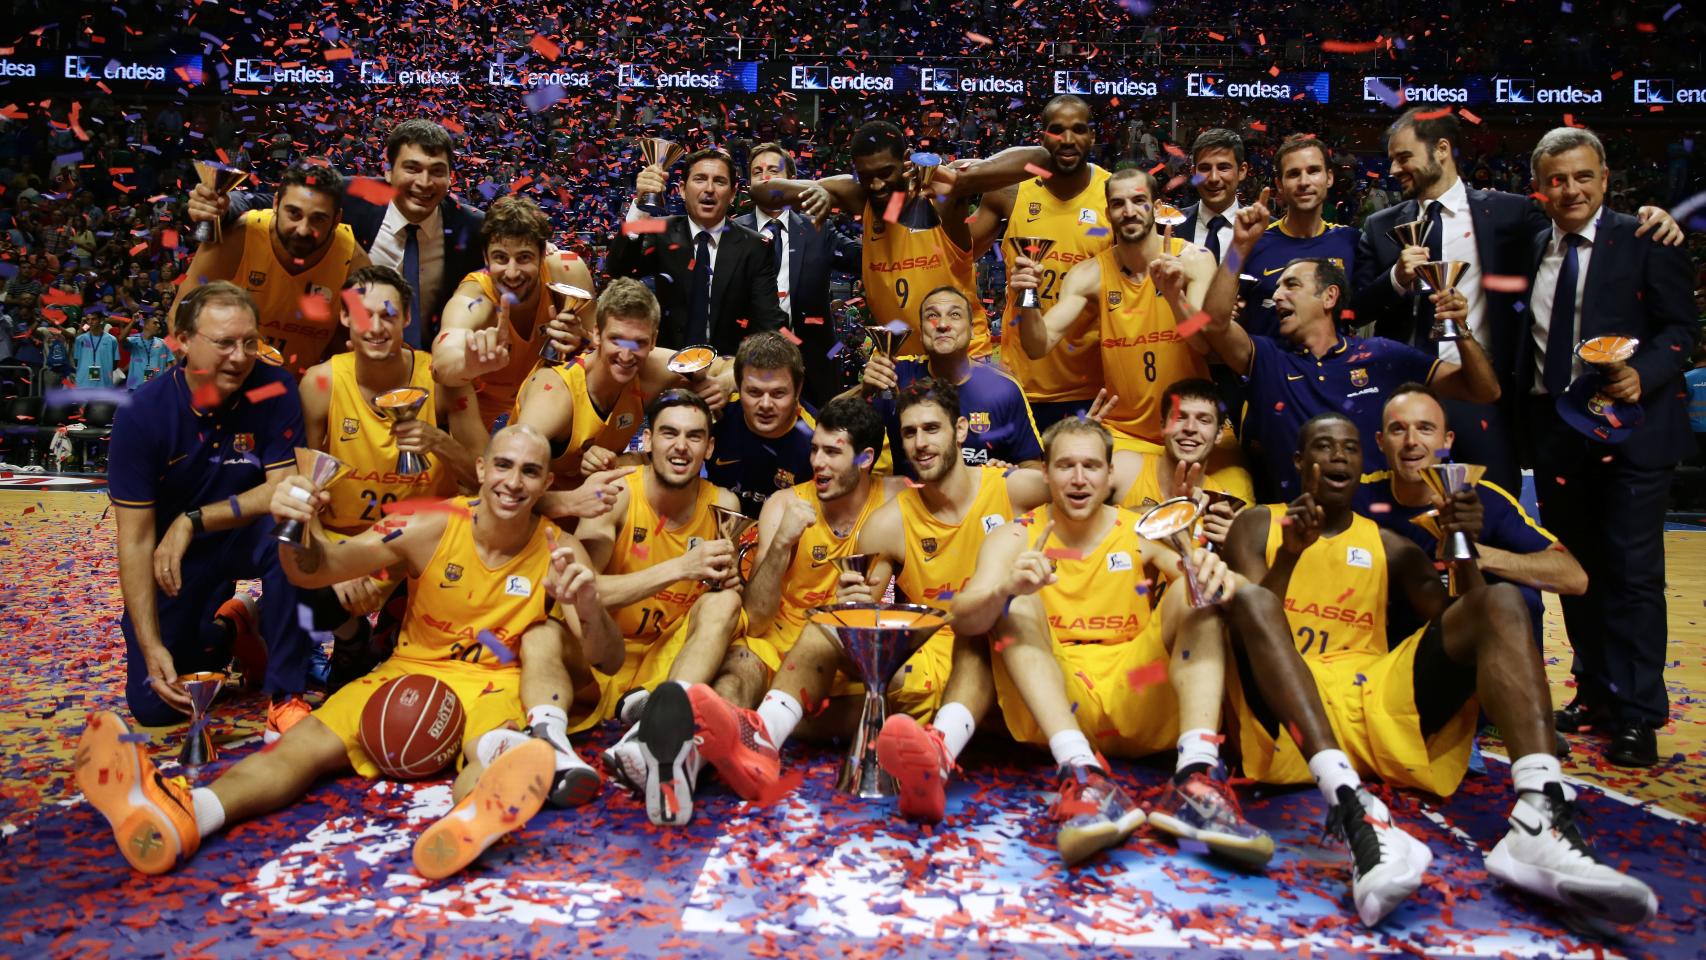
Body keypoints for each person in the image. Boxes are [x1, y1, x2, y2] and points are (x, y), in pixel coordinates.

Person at [74, 426, 622, 880]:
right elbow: (318, 569)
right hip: (409, 670)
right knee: (302, 743)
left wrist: (590, 607)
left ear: (548, 482)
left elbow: (609, 659)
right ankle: (191, 815)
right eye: (503, 466)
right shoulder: (428, 521)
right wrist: (294, 526)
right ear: (481, 469)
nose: (513, 482)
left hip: (496, 678)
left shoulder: (560, 548)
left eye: (530, 472)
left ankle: (466, 822)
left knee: (489, 752)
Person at [1222, 413, 1658, 928]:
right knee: (1248, 601)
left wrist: (1464, 545)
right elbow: (1254, 625)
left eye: (1349, 448)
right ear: (1299, 462)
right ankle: (1353, 809)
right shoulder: (1257, 522)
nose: (1338, 456)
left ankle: (1538, 813)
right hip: (1290, 711)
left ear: (1363, 465)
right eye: (1322, 446)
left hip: (1372, 701)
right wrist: (1290, 555)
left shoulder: (1390, 545)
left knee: (1500, 601)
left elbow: (1476, 626)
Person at [681, 378, 1051, 822]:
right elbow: (868, 600)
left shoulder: (1013, 488)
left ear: (961, 430)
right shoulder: (889, 521)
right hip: (922, 647)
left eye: (931, 429)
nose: (920, 444)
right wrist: (854, 599)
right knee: (830, 622)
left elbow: (1081, 494)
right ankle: (762, 737)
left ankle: (933, 753)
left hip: (981, 645)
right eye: (910, 433)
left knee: (983, 626)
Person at [953, 417, 1272, 867]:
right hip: (1061, 697)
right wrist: (1005, 588)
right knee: (1013, 599)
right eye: (1066, 466)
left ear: (1108, 475)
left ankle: (1197, 776)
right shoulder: (1014, 535)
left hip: (1136, 688)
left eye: (1090, 466)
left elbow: (1206, 584)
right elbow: (963, 618)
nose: (1079, 479)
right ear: (1045, 474)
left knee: (1193, 589)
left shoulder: (1141, 528)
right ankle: (1081, 773)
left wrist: (1217, 572)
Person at [1353, 108, 1682, 493]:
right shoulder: (1380, 226)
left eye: (1403, 156)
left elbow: (1576, 229)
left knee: (1495, 515)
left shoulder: (1511, 212)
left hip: (1485, 393)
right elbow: (1355, 308)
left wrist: (1648, 218)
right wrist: (1395, 279)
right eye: (1391, 159)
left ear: (1441, 149)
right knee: (1405, 515)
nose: (1393, 168)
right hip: (1406, 397)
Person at [1518, 127, 1697, 767]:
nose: (1571, 190)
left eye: (1582, 177)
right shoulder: (1537, 244)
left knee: (1632, 575)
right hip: (1560, 435)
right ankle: (1594, 694)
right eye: (1557, 179)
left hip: (1635, 434)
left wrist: (1641, 373)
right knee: (1580, 573)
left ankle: (1638, 714)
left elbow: (1682, 328)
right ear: (1540, 188)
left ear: (1605, 179)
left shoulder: (1646, 237)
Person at [105, 281, 315, 737]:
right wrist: (151, 643)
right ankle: (233, 625)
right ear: (182, 341)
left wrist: (193, 519)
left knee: (293, 531)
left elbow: (284, 489)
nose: (240, 357)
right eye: (223, 343)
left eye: (249, 342)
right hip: (175, 560)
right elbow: (135, 540)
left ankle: (285, 695)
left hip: (245, 534)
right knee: (156, 707)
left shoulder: (272, 388)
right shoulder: (143, 415)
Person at [1201, 199, 1500, 500]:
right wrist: (1239, 247)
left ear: (1329, 297)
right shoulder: (1268, 360)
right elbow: (1213, 323)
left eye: (1291, 285)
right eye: (1277, 287)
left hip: (1380, 532)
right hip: (1298, 528)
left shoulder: (1382, 356)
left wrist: (1460, 329)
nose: (1277, 295)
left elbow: (1483, 391)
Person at [297, 265, 487, 688]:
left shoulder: (441, 379)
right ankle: (348, 636)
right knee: (291, 552)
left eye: (388, 315)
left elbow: (483, 478)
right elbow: (302, 491)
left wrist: (438, 441)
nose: (376, 327)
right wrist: (341, 565)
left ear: (406, 318)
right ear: (345, 318)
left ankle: (380, 635)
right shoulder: (320, 383)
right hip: (348, 544)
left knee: (408, 662)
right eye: (364, 315)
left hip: (421, 549)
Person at [573, 390, 748, 825]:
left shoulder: (725, 505)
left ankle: (650, 735)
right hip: (607, 661)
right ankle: (660, 734)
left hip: (672, 661)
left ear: (709, 447)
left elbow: (729, 597)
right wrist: (679, 567)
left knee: (726, 602)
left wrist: (732, 581)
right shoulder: (613, 494)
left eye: (694, 437)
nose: (681, 446)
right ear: (647, 441)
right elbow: (581, 593)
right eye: (669, 433)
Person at [758, 120, 1049, 357]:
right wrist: (819, 190)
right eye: (866, 175)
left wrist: (966, 178)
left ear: (906, 159)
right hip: (900, 366)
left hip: (963, 360)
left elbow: (1039, 158)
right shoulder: (860, 195)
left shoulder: (941, 197)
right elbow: (761, 191)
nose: (877, 184)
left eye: (886, 172)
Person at [190, 119, 486, 349]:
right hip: (350, 362)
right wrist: (221, 206)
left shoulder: (470, 226)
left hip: (433, 370)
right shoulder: (351, 196)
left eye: (437, 171)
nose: (425, 182)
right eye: (412, 168)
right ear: (387, 171)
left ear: (450, 176)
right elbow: (270, 201)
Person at [1362, 383, 1587, 659]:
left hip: (1475, 654)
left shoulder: (1485, 499)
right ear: (1380, 441)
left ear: (1447, 441)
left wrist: (1476, 555)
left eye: (1425, 428)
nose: (1411, 440)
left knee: (1519, 600)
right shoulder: (1357, 498)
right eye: (1398, 429)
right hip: (1385, 655)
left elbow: (1574, 578)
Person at [715, 397, 905, 710]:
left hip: (848, 649)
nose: (817, 462)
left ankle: (781, 719)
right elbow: (758, 620)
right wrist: (780, 546)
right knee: (733, 681)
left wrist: (1000, 470)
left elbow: (962, 492)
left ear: (865, 458)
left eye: (832, 452)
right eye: (815, 448)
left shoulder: (899, 498)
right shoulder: (783, 503)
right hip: (778, 642)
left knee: (908, 692)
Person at [1008, 167, 1216, 454]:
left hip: (1192, 429)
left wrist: (1172, 296)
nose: (1128, 211)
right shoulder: (1088, 275)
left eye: (1138, 201)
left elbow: (1204, 344)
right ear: (1108, 214)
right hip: (1125, 436)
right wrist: (1028, 293)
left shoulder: (1195, 260)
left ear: (1156, 208)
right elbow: (1038, 345)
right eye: (1118, 203)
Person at [970, 95, 1111, 428]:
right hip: (1020, 382)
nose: (1067, 139)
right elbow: (957, 252)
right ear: (1042, 137)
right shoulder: (1009, 191)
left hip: (1092, 386)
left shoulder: (1112, 194)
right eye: (1056, 129)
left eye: (1078, 129)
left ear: (1091, 136)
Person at [513, 278, 733, 488]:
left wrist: (723, 385)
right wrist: (569, 503)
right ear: (597, 335)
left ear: (653, 341)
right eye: (617, 340)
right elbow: (505, 469)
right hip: (534, 508)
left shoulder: (650, 370)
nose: (626, 356)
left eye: (639, 342)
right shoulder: (555, 393)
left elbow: (733, 366)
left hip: (600, 501)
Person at [172, 162, 369, 379]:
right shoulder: (239, 237)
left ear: (336, 220)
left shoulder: (352, 260)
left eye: (318, 219)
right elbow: (179, 318)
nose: (303, 229)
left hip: (296, 392)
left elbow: (356, 344)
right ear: (276, 203)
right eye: (294, 213)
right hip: (220, 379)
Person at [431, 195, 598, 430]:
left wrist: (581, 343)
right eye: (500, 258)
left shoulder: (568, 270)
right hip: (478, 413)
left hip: (547, 398)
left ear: (543, 254)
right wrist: (468, 364)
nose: (511, 273)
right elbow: (442, 362)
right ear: (486, 257)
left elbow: (600, 350)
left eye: (524, 258)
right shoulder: (474, 295)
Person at [607, 147, 786, 354]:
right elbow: (618, 270)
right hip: (665, 367)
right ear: (682, 189)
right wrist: (640, 203)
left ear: (732, 194)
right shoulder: (659, 230)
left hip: (725, 372)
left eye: (719, 181)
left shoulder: (756, 245)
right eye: (700, 179)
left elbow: (768, 320)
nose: (709, 188)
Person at [851, 285, 1043, 475]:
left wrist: (1009, 476)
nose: (942, 325)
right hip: (911, 502)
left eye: (955, 315)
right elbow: (834, 427)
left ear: (972, 329)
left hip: (983, 505)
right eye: (932, 316)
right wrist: (864, 391)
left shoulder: (1003, 389)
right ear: (921, 330)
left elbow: (1033, 468)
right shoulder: (895, 375)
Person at [734, 142, 862, 408]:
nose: (765, 177)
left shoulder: (818, 228)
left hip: (815, 365)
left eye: (773, 170)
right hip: (749, 364)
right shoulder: (733, 233)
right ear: (749, 184)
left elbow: (862, 260)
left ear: (793, 181)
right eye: (757, 172)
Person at [1240, 135, 1360, 339]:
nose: (1304, 182)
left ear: (1329, 177)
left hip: (1329, 369)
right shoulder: (1253, 242)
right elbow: (1224, 306)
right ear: (1279, 184)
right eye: (1294, 174)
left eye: (1313, 171)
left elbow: (1359, 310)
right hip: (1267, 368)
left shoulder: (1350, 242)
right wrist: (1236, 248)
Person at [1110, 378, 1253, 549]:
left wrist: (1234, 549)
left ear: (1219, 433)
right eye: (1180, 417)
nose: (1190, 428)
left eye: (1204, 420)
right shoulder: (1125, 468)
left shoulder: (1223, 507)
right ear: (1163, 426)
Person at [704, 331, 817, 518]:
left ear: (798, 389)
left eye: (778, 393)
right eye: (754, 392)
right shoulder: (717, 416)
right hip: (717, 531)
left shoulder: (817, 438)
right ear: (738, 386)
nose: (765, 405)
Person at [1175, 128, 1246, 264]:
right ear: (1194, 173)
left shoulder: (1266, 230)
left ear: (1242, 171)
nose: (1213, 178)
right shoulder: (1172, 226)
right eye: (1205, 168)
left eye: (1223, 167)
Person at [121, 315, 172, 391]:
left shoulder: (163, 343)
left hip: (155, 388)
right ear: (146, 325)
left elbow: (170, 364)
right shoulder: (134, 341)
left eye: (159, 324)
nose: (158, 326)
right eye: (155, 323)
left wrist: (163, 378)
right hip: (135, 388)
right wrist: (133, 322)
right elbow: (121, 338)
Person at [72, 317, 119, 388]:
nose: (90, 322)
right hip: (83, 385)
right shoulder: (80, 339)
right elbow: (76, 361)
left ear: (101, 320)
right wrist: (83, 326)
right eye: (88, 319)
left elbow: (114, 365)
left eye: (93, 319)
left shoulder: (112, 340)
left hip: (104, 385)